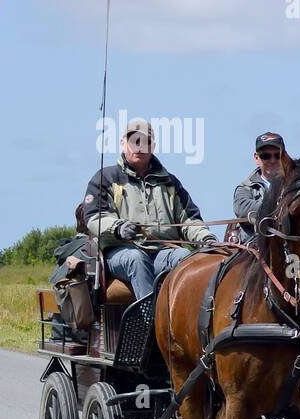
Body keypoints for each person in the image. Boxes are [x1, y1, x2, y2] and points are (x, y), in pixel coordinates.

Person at [82, 117, 216, 299]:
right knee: (136, 259)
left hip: (162, 252)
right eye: (134, 141)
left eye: (145, 141)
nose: (140, 146)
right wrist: (118, 228)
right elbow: (94, 218)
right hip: (120, 253)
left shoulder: (170, 182)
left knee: (185, 255)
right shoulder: (105, 177)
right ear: (123, 144)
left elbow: (189, 220)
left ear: (153, 147)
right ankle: (149, 324)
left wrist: (207, 240)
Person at [231, 131, 286, 244]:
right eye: (266, 156)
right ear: (257, 158)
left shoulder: (296, 186)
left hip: (289, 248)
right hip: (253, 250)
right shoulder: (245, 188)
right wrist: (282, 207)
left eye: (277, 155)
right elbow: (242, 209)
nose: (272, 160)